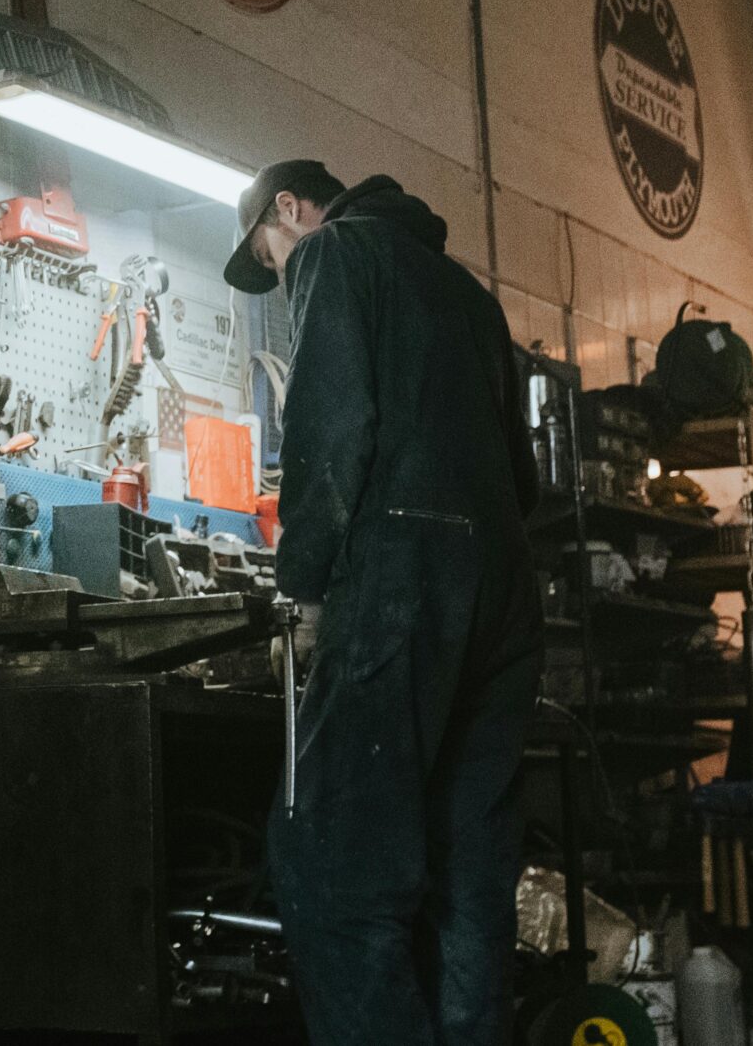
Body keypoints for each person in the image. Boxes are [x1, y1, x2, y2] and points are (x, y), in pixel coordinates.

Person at [221, 159, 541, 1045]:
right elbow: (524, 478)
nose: (283, 274)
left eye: (271, 256)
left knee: (332, 867)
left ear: (290, 210)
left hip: (403, 579)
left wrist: (303, 588)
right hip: (507, 600)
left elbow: (328, 429)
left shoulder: (334, 254)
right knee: (469, 886)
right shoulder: (472, 298)